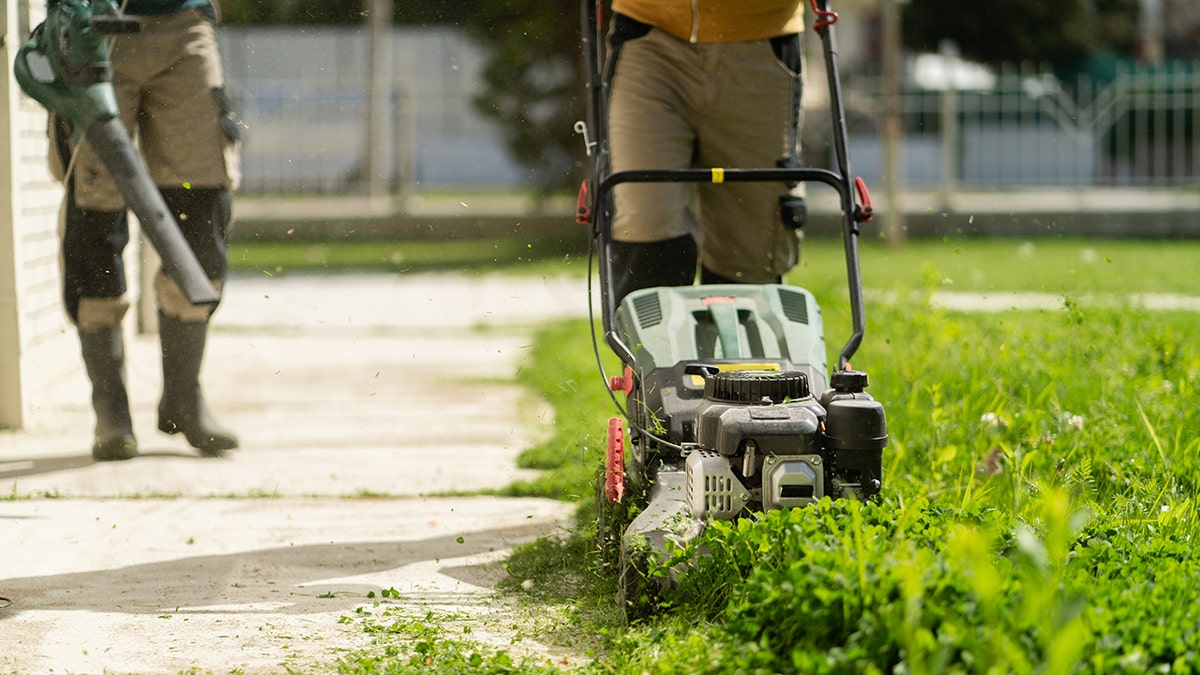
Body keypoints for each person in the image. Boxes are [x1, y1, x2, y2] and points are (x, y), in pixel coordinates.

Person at [49, 0, 242, 460]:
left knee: (201, 202)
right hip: (93, 27)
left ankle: (183, 399)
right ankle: (111, 413)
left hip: (183, 25)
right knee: (95, 213)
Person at [604, 0, 807, 304]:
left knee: (750, 254)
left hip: (762, 40)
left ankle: (738, 348)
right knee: (645, 225)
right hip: (650, 38)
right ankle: (645, 348)